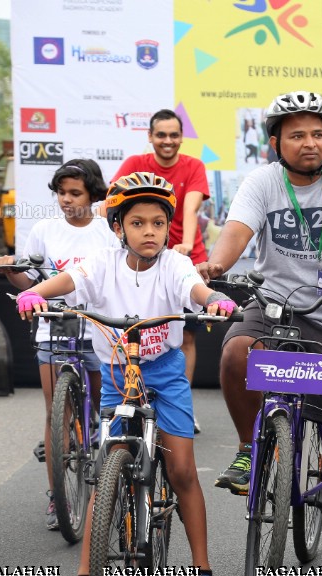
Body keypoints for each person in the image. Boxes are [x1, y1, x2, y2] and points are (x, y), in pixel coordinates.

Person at [15, 172, 236, 576]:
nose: (150, 231)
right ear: (119, 228)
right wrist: (34, 293)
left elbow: (197, 288)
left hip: (166, 372)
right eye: (138, 223)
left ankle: (202, 574)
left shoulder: (174, 263)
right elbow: (68, 281)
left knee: (182, 471)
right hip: (119, 374)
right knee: (107, 464)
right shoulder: (102, 260)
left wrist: (214, 299)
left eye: (158, 222)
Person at [202, 91, 322, 507]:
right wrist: (214, 267)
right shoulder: (263, 181)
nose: (310, 143)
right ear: (275, 143)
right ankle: (249, 450)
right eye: (297, 135)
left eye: (318, 134)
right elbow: (235, 234)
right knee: (237, 352)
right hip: (277, 306)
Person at [0, 160, 117, 530]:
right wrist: (10, 270)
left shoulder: (109, 231)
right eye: (61, 192)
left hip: (98, 328)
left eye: (74, 193)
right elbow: (28, 284)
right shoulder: (44, 229)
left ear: (94, 195)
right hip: (53, 329)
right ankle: (57, 496)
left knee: (100, 406)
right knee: (56, 417)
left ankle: (98, 440)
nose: (66, 200)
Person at [114, 110, 210, 430]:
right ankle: (131, 398)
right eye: (161, 135)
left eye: (173, 135)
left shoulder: (194, 166)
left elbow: (191, 207)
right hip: (142, 257)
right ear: (151, 137)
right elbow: (112, 204)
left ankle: (180, 404)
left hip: (183, 255)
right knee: (135, 331)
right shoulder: (133, 163)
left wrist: (182, 244)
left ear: (181, 137)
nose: (167, 141)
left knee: (184, 340)